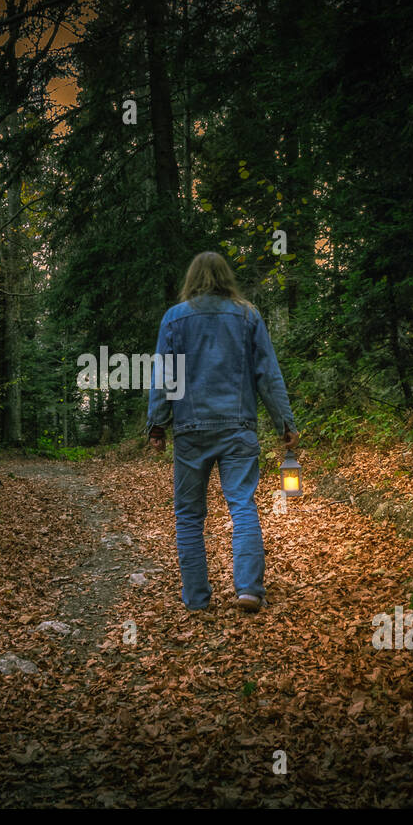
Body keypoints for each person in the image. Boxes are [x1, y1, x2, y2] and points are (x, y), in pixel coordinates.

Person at [146, 251, 298, 614]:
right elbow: (267, 373)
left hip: (190, 429)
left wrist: (157, 424)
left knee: (188, 515)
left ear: (192, 279)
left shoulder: (174, 318)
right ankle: (248, 589)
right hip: (238, 427)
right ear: (225, 277)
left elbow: (164, 377)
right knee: (242, 506)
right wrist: (285, 423)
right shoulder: (247, 314)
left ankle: (197, 598)